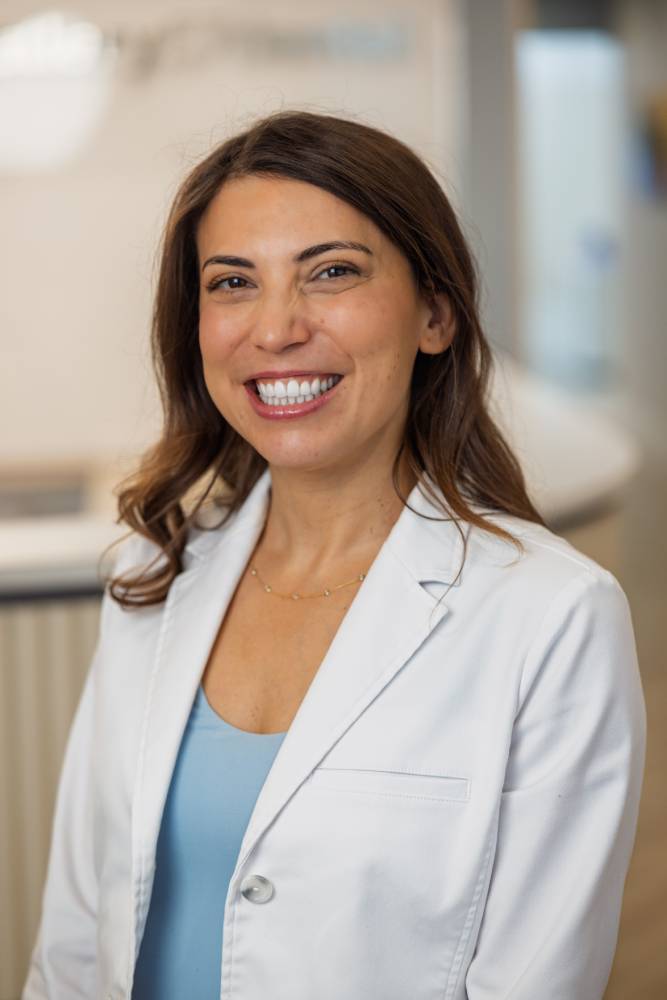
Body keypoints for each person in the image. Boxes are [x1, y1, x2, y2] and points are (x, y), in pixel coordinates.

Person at [23, 109, 646, 1000]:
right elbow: (73, 947)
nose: (275, 328)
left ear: (435, 314)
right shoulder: (150, 575)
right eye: (232, 282)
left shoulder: (552, 616)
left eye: (331, 273)